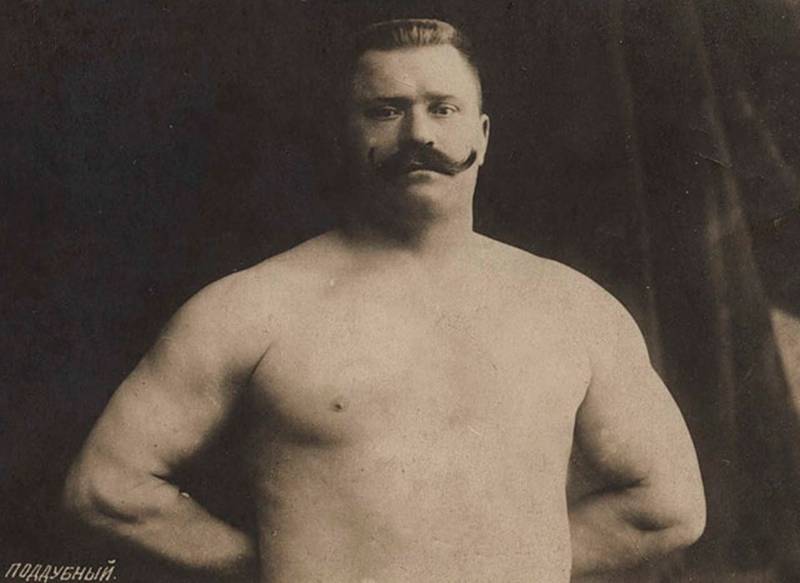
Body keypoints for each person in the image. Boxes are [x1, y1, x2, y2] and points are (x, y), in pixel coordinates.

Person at [63, 18, 706, 583]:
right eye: (386, 111)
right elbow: (106, 487)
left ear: (482, 136)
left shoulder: (575, 310)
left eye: (442, 109)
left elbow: (669, 506)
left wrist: (515, 566)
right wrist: (286, 568)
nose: (418, 133)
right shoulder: (251, 308)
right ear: (346, 134)